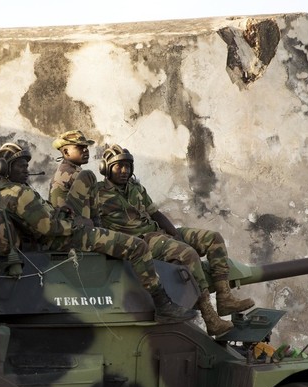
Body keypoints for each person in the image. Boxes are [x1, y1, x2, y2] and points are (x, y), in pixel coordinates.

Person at [0, 142, 196, 324]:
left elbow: (44, 219)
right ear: (4, 167)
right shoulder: (20, 193)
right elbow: (48, 228)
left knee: (87, 176)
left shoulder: (8, 190)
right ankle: (163, 306)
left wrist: (60, 213)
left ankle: (98, 229)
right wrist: (76, 226)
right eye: (20, 165)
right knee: (138, 247)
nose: (26, 169)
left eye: (25, 165)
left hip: (60, 228)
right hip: (61, 238)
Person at [82, 144, 254, 337]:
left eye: (127, 166)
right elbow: (91, 223)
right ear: (106, 168)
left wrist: (175, 234)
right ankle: (210, 318)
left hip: (157, 233)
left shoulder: (136, 188)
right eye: (118, 166)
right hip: (138, 241)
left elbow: (155, 213)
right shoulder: (97, 192)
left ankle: (224, 298)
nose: (124, 171)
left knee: (212, 238)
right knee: (187, 255)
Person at [48, 129, 97, 214]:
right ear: (66, 152)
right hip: (71, 223)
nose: (86, 150)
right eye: (80, 147)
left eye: (86, 147)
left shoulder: (63, 170)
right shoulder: (75, 174)